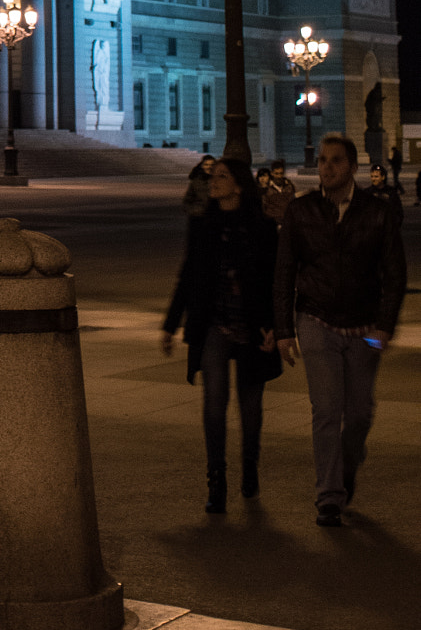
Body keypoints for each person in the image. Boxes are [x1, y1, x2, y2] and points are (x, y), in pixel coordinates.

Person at [275, 131, 407, 526]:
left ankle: (347, 468)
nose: (326, 168)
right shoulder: (301, 213)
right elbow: (284, 273)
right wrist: (284, 329)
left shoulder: (377, 212)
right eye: (323, 162)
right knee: (328, 410)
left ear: (351, 167)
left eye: (335, 161)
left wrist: (384, 326)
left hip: (365, 329)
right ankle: (329, 496)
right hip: (316, 321)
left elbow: (395, 274)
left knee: (361, 413)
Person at [162, 158, 281, 511]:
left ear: (239, 185)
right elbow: (188, 275)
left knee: (251, 407)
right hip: (214, 323)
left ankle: (250, 465)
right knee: (214, 404)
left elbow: (276, 280)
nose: (214, 181)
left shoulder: (261, 227)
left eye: (222, 176)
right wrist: (171, 324)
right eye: (213, 176)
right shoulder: (202, 225)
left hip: (252, 325)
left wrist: (276, 326)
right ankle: (216, 478)